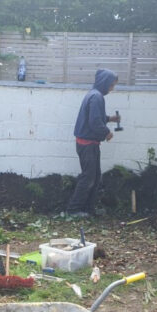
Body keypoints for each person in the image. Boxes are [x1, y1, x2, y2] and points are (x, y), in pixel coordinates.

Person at [66, 69, 119, 217]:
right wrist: (106, 133)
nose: (112, 89)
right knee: (89, 177)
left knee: (95, 177)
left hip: (89, 143)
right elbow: (95, 122)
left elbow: (98, 116)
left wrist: (110, 119)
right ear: (105, 83)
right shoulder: (96, 97)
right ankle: (73, 210)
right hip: (87, 144)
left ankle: (88, 209)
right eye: (111, 85)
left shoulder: (94, 94)